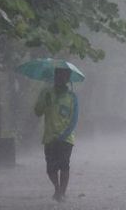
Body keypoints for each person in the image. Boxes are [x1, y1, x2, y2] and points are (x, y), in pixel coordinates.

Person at [34, 67, 79, 202]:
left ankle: (62, 193)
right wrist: (44, 100)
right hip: (49, 137)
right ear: (55, 77)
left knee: (64, 165)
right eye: (58, 76)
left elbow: (74, 119)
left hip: (66, 138)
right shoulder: (46, 93)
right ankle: (57, 188)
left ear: (67, 79)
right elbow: (37, 112)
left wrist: (64, 135)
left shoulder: (72, 97)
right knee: (50, 168)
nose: (60, 79)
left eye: (64, 76)